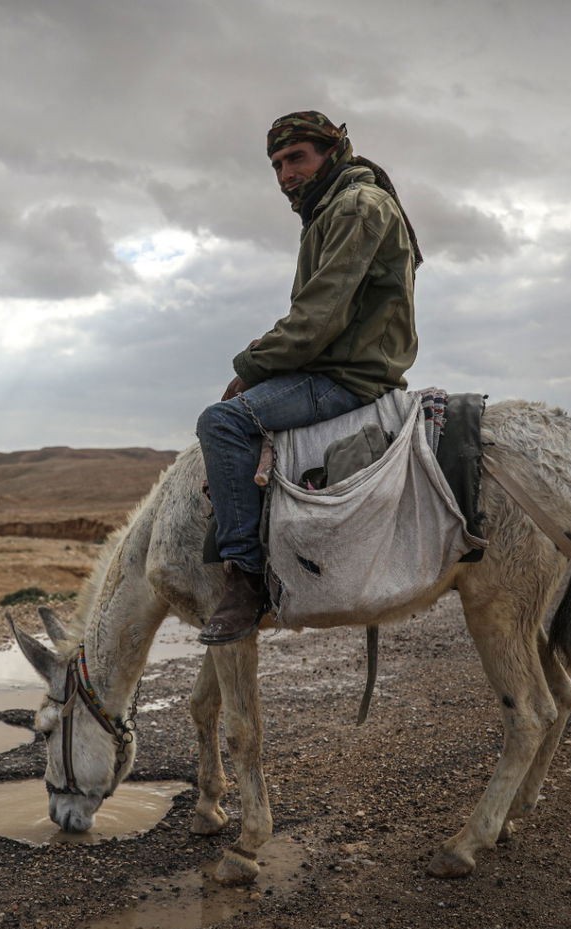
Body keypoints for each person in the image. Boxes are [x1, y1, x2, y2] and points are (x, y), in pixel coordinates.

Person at [195, 110, 424, 645]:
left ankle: (247, 580)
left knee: (223, 424)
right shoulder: (331, 208)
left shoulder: (355, 207)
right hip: (335, 360)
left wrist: (249, 365)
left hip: (347, 373)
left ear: (332, 151)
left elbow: (319, 318)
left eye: (296, 158)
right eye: (276, 164)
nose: (285, 175)